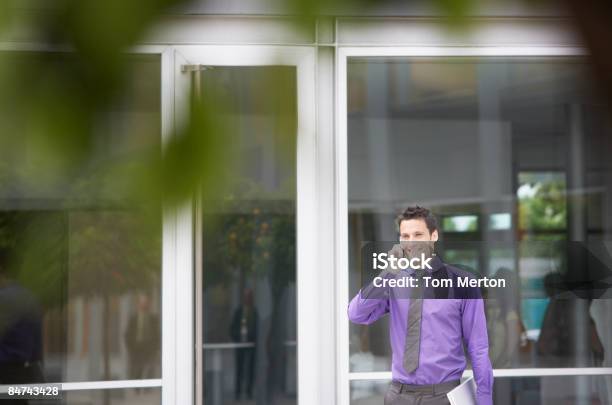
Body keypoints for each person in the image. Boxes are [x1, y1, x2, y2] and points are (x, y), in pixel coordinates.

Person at [348, 206, 493, 405]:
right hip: (398, 396)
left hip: (444, 397)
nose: (411, 242)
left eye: (418, 234)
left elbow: (478, 347)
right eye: (405, 236)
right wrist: (387, 273)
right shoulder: (392, 281)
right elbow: (356, 314)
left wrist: (484, 400)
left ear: (434, 235)